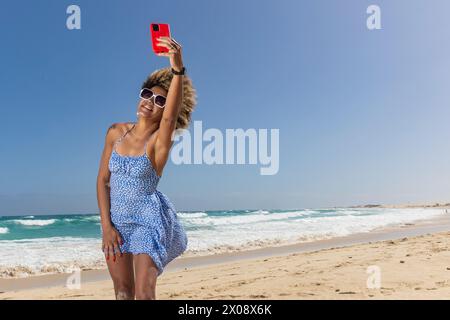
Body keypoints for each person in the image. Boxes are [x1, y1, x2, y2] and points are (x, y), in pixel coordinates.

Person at [96, 36, 197, 300]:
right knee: (122, 293)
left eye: (160, 100)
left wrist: (177, 70)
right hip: (116, 223)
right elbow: (103, 181)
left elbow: (170, 118)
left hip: (147, 222)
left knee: (143, 294)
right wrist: (107, 226)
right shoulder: (114, 132)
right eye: (147, 94)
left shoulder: (158, 143)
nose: (150, 101)